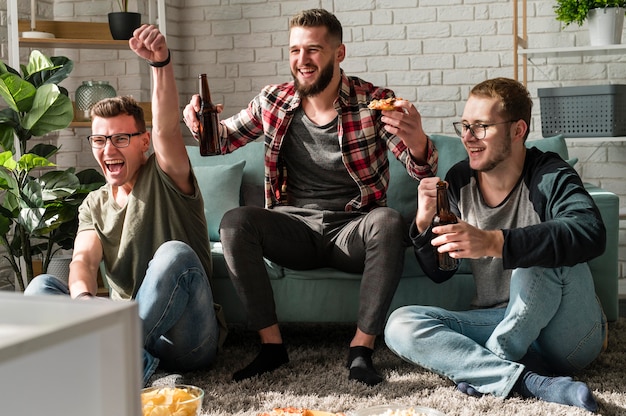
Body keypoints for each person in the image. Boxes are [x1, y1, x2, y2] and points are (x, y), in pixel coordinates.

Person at [182, 8, 437, 385]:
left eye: (313, 50)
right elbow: (220, 141)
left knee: (388, 220)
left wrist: (417, 140)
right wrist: (197, 123)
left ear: (339, 53)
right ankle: (272, 347)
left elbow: (422, 170)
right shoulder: (273, 100)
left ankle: (361, 350)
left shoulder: (374, 102)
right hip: (293, 228)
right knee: (235, 222)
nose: (302, 61)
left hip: (352, 230)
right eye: (295, 51)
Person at [384, 77, 607, 412]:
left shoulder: (548, 174)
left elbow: (590, 231)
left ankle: (492, 363)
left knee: (538, 255)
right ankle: (529, 381)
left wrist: (494, 242)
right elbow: (442, 271)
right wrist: (422, 221)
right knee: (401, 324)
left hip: (567, 333)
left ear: (518, 131)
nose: (468, 137)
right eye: (465, 125)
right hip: (497, 317)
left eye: (481, 127)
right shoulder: (460, 180)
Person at [24, 25, 226, 387]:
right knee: (40, 288)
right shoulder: (94, 203)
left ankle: (100, 360)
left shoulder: (166, 175)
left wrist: (161, 63)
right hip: (126, 326)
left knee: (175, 255)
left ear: (143, 142)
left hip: (186, 337)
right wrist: (85, 299)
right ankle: (129, 360)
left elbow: (167, 129)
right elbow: (84, 260)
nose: (108, 149)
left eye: (120, 138)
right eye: (99, 139)